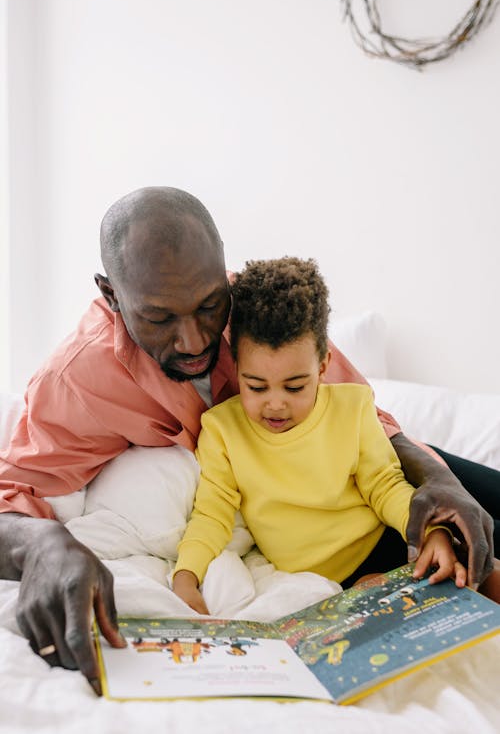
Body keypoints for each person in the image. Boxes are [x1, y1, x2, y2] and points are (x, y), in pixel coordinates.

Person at [0, 187, 496, 694]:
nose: (194, 341)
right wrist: (43, 545)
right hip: (324, 537)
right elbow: (10, 497)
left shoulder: (257, 307)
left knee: (481, 508)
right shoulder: (76, 381)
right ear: (111, 296)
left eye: (210, 305)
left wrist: (439, 477)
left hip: (368, 478)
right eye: (159, 318)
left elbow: (367, 419)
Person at [172, 257, 500, 613]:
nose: (276, 404)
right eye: (257, 386)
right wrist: (185, 575)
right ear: (236, 368)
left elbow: (385, 484)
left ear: (324, 366)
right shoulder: (222, 431)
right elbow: (211, 514)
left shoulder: (352, 405)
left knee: (482, 563)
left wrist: (431, 532)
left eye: (295, 387)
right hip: (334, 582)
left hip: (391, 538)